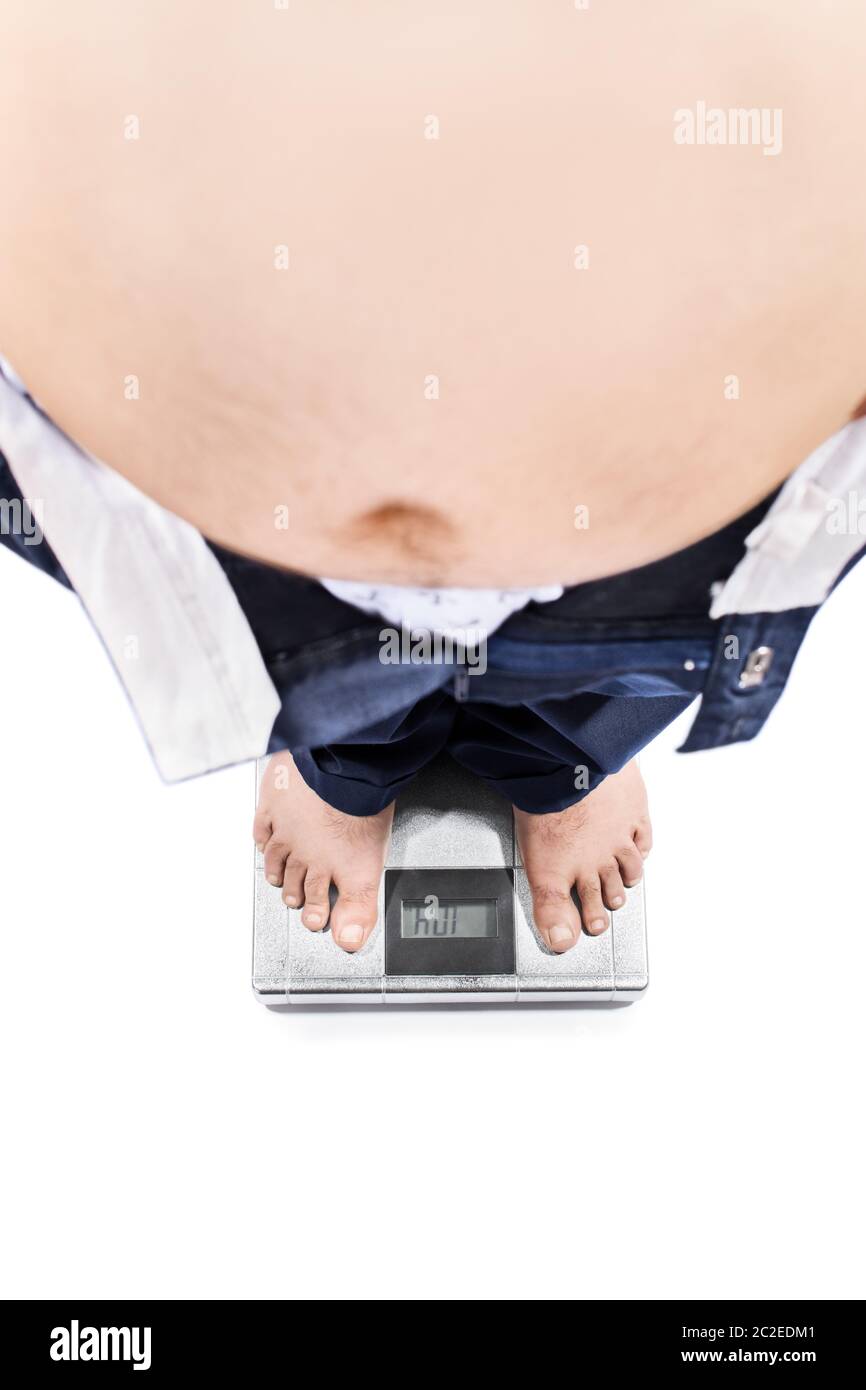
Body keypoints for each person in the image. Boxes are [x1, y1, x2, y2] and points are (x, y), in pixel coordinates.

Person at [2, 1, 865, 956]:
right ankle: (350, 774)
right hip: (214, 504)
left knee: (612, 676)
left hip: (689, 507)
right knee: (311, 681)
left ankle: (561, 768)